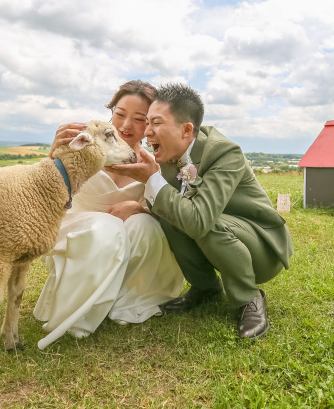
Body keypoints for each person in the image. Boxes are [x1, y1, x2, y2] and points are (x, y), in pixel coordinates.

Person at [111, 82, 293, 340]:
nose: (147, 132)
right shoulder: (165, 157)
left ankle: (248, 298)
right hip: (216, 230)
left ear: (186, 129)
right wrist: (139, 207)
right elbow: (171, 206)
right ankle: (206, 289)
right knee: (169, 215)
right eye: (147, 122)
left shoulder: (224, 152)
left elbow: (198, 220)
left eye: (156, 123)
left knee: (205, 222)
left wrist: (152, 179)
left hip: (260, 247)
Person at [33, 80, 184, 349]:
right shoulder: (84, 147)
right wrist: (54, 152)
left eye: (139, 119)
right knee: (106, 227)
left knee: (144, 225)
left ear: (151, 124)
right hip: (78, 231)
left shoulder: (152, 163)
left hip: (119, 237)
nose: (126, 126)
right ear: (111, 112)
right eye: (120, 114)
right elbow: (47, 191)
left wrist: (138, 206)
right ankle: (77, 309)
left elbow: (165, 206)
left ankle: (125, 301)